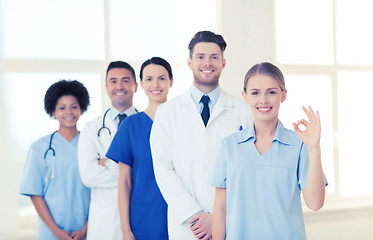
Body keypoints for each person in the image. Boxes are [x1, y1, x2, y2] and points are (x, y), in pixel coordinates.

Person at [149, 31, 253, 240]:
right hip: (188, 225)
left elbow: (248, 169)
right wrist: (195, 215)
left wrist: (216, 218)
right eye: (201, 57)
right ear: (189, 62)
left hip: (229, 221)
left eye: (214, 57)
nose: (208, 62)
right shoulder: (168, 112)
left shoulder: (243, 111)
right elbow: (163, 169)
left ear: (223, 63)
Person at [209, 62, 328, 240]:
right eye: (255, 93)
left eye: (271, 92)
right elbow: (220, 208)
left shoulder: (300, 145)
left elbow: (315, 203)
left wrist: (314, 147)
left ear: (283, 95)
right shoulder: (229, 146)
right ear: (245, 96)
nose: (263, 100)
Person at [106, 57, 172, 240]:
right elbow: (124, 182)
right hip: (143, 219)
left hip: (178, 214)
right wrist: (126, 230)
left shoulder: (182, 123)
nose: (155, 84)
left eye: (162, 78)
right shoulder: (130, 126)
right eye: (149, 79)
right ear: (141, 84)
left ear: (171, 81)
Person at [20, 80, 91, 240]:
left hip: (86, 230)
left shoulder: (90, 145)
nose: (69, 112)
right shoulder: (39, 147)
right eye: (62, 107)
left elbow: (98, 191)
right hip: (51, 232)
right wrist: (55, 231)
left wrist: (86, 229)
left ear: (81, 109)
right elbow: (35, 192)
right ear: (53, 112)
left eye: (74, 106)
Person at [78, 61, 138, 240]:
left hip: (139, 211)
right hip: (104, 219)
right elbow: (88, 175)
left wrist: (108, 163)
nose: (119, 86)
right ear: (106, 87)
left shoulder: (148, 124)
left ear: (135, 85)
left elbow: (154, 172)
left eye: (125, 80)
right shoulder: (91, 128)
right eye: (113, 81)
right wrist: (130, 171)